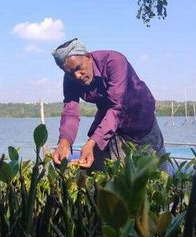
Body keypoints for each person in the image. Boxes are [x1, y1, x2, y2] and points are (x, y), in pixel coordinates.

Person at [51, 38, 170, 172]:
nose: (77, 76)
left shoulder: (114, 61)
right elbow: (70, 112)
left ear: (88, 57)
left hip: (139, 119)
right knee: (98, 166)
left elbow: (117, 107)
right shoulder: (70, 78)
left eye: (79, 68)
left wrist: (92, 142)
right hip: (108, 120)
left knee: (156, 170)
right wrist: (64, 142)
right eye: (70, 73)